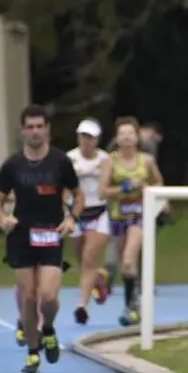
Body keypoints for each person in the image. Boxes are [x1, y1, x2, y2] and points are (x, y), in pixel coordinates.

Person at [0, 104, 82, 373]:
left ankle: (49, 328)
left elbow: (79, 196)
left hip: (51, 233)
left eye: (39, 126)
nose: (35, 131)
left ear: (47, 129)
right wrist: (3, 218)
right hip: (22, 235)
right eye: (30, 127)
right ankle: (33, 352)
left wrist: (71, 219)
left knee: (48, 297)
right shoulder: (12, 164)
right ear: (22, 130)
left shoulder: (60, 161)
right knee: (29, 298)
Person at [98, 117, 164, 326]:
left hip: (139, 216)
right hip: (118, 217)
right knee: (123, 266)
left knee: (128, 260)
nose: (126, 137)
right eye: (122, 134)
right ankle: (131, 304)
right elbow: (102, 192)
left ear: (137, 137)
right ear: (116, 138)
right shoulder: (110, 161)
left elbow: (159, 182)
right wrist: (124, 188)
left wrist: (147, 189)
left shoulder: (147, 160)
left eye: (130, 133)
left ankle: (130, 307)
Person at [67, 118, 111, 324]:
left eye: (90, 137)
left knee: (88, 258)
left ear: (97, 139)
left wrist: (91, 173)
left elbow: (105, 187)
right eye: (83, 136)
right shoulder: (69, 158)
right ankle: (98, 277)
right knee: (83, 260)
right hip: (76, 212)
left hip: (98, 212)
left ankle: (82, 306)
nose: (86, 141)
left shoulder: (104, 159)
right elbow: (63, 185)